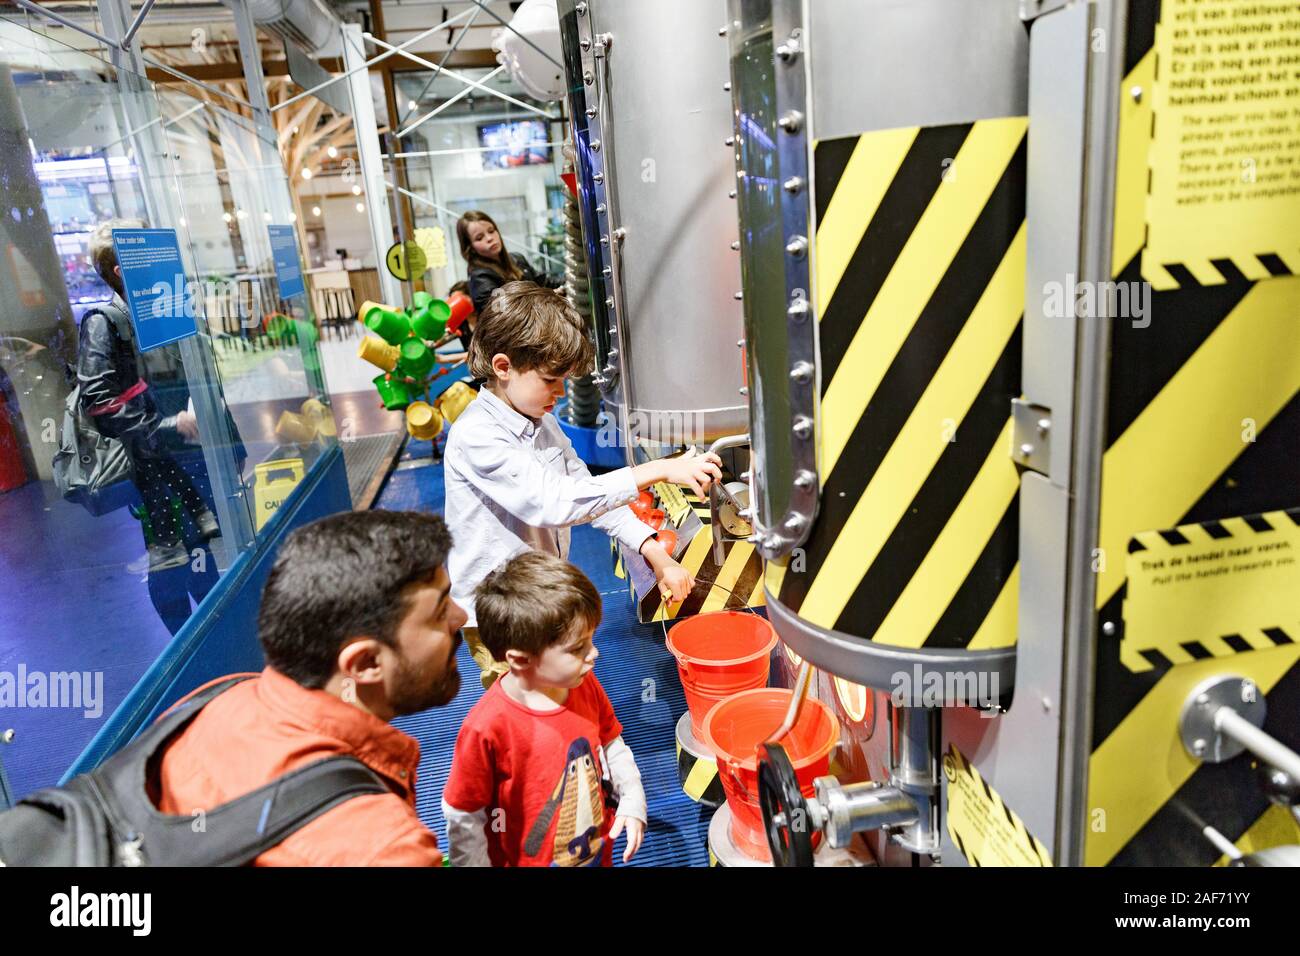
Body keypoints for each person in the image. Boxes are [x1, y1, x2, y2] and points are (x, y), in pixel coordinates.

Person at [443, 281, 723, 687]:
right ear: (503, 367)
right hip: (501, 613)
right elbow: (555, 503)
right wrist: (658, 469)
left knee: (557, 696)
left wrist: (654, 553)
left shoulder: (542, 422)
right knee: (525, 712)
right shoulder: (477, 435)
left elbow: (586, 491)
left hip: (542, 594)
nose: (560, 392)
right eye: (550, 379)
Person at [152, 510, 466, 866]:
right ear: (365, 664)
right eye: (440, 611)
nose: (461, 617)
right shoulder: (383, 848)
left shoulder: (215, 700)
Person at [442, 550, 645, 867]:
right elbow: (464, 812)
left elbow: (611, 742)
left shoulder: (584, 684)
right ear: (521, 660)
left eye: (591, 640)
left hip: (593, 848)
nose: (594, 655)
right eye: (578, 648)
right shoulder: (487, 727)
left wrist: (632, 799)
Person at [81, 218, 215, 573]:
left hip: (189, 447)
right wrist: (169, 425)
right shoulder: (104, 322)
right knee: (173, 568)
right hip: (152, 453)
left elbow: (191, 364)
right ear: (121, 270)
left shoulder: (161, 309)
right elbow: (99, 399)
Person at [456, 210, 562, 316]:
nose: (489, 238)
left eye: (491, 231)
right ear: (470, 248)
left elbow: (544, 282)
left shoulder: (517, 258)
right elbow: (503, 317)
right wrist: (544, 299)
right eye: (479, 238)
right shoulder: (480, 278)